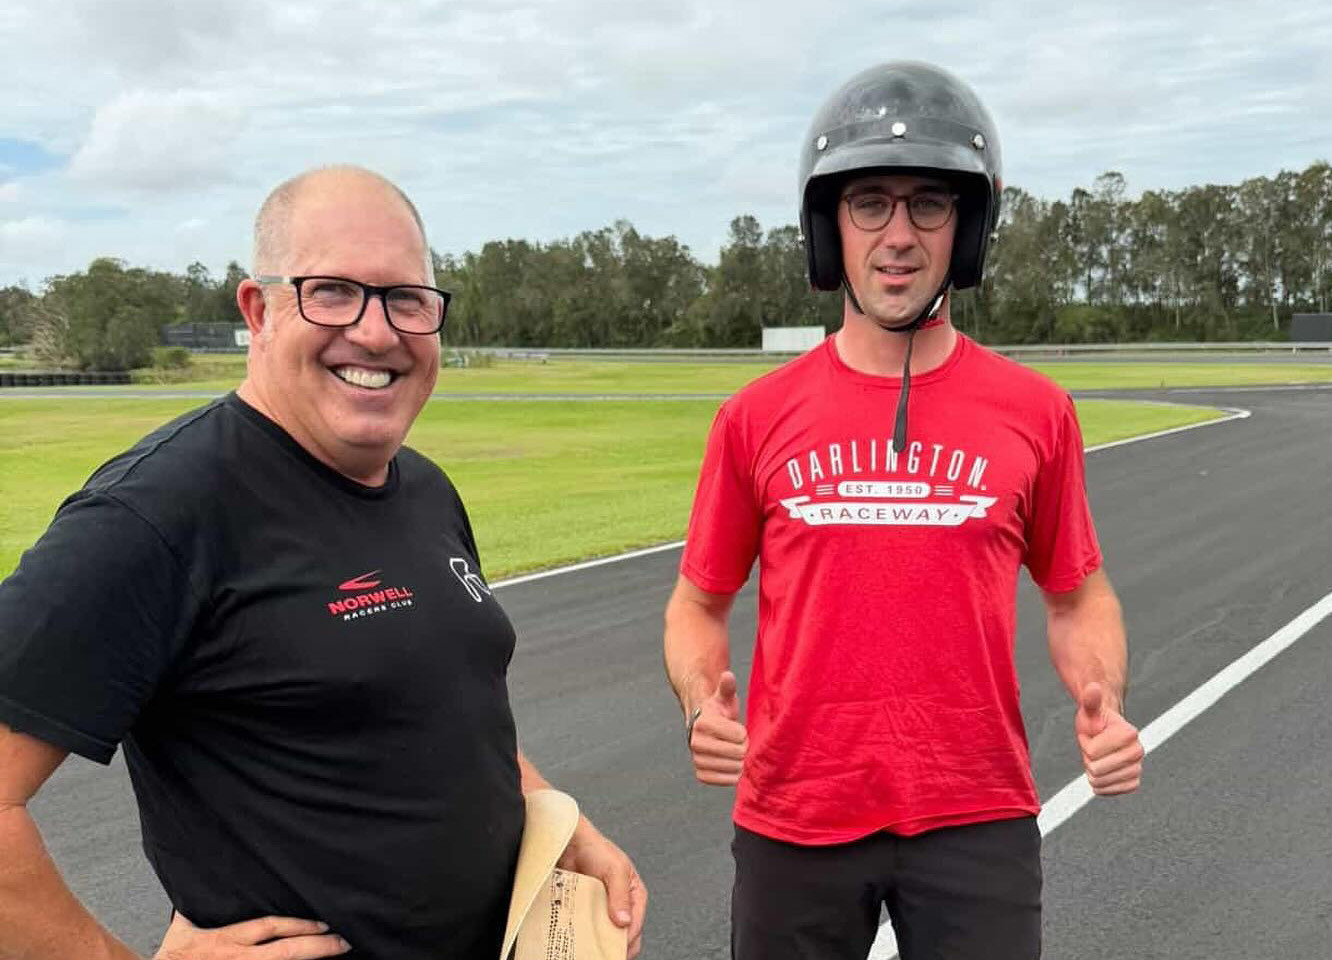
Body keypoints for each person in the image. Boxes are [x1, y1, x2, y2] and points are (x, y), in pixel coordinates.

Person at [0, 166, 646, 960]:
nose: (376, 332)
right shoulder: (157, 513)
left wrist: (552, 814)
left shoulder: (425, 488)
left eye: (406, 298)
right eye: (332, 291)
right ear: (258, 310)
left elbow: (441, 708)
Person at [663, 61, 1143, 959]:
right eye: (869, 204)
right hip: (795, 813)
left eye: (928, 204)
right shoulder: (755, 418)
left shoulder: (1037, 413)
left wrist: (1105, 700)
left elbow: (1078, 595)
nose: (898, 235)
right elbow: (697, 603)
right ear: (828, 227)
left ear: (968, 229)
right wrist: (701, 703)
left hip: (977, 811)